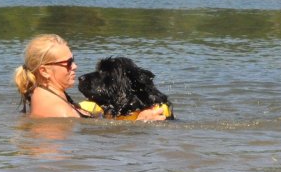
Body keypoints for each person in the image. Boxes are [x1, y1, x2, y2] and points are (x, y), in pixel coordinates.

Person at [13, 34, 166, 121]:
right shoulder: (60, 112)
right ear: (44, 71)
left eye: (73, 60)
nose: (75, 67)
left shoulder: (46, 95)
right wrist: (141, 122)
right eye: (68, 63)